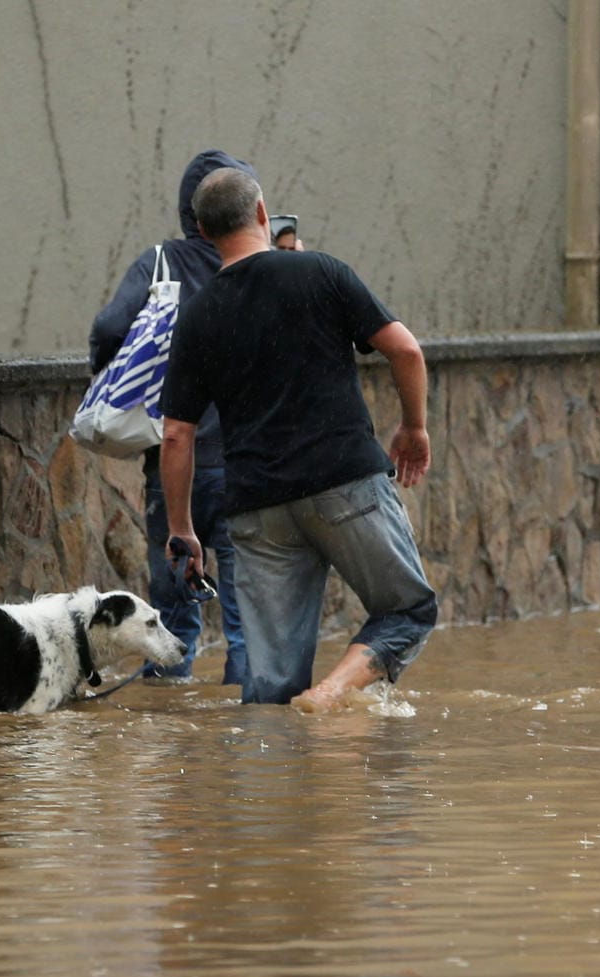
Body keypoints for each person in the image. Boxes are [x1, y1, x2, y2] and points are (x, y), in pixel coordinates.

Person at [157, 166, 438, 712]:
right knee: (408, 610)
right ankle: (334, 691)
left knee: (269, 689)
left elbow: (175, 435)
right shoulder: (321, 272)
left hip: (257, 510)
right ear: (263, 213)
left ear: (205, 232)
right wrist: (414, 426)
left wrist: (182, 530)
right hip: (345, 484)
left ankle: (268, 794)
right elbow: (405, 351)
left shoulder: (195, 316)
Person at [89, 150, 250, 685]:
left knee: (173, 609)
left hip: (172, 461)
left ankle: (173, 733)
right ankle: (250, 732)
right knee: (246, 613)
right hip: (246, 463)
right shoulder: (257, 265)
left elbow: (112, 325)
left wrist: (121, 382)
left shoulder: (160, 262)